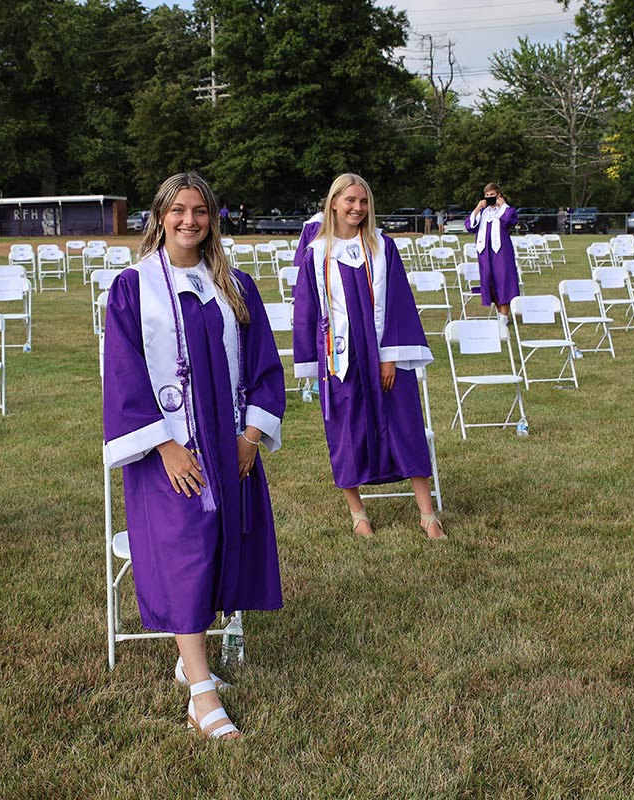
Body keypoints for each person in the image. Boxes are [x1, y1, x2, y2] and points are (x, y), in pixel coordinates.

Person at [102, 172, 285, 740]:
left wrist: (250, 437)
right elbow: (124, 373)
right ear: (159, 216)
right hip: (168, 450)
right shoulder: (133, 288)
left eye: (201, 210)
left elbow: (263, 365)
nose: (190, 220)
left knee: (219, 547)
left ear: (213, 218)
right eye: (178, 210)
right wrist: (164, 446)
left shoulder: (235, 286)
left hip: (230, 446)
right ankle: (201, 695)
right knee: (185, 552)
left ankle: (192, 661)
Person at [293, 173, 443, 540]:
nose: (358, 208)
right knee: (344, 433)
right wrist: (317, 366)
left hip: (382, 352)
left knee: (406, 425)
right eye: (350, 201)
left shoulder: (381, 246)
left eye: (363, 202)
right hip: (341, 357)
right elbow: (307, 309)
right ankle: (358, 513)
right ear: (333, 203)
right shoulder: (316, 252)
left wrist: (389, 355)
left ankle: (428, 514)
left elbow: (398, 301)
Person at [464, 182, 520, 325]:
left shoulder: (504, 210)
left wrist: (503, 204)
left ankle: (504, 315)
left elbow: (509, 219)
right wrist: (477, 208)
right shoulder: (483, 213)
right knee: (490, 282)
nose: (489, 197)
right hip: (485, 253)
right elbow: (470, 226)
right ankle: (499, 312)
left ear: (498, 195)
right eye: (487, 195)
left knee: (504, 280)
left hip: (501, 252)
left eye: (492, 195)